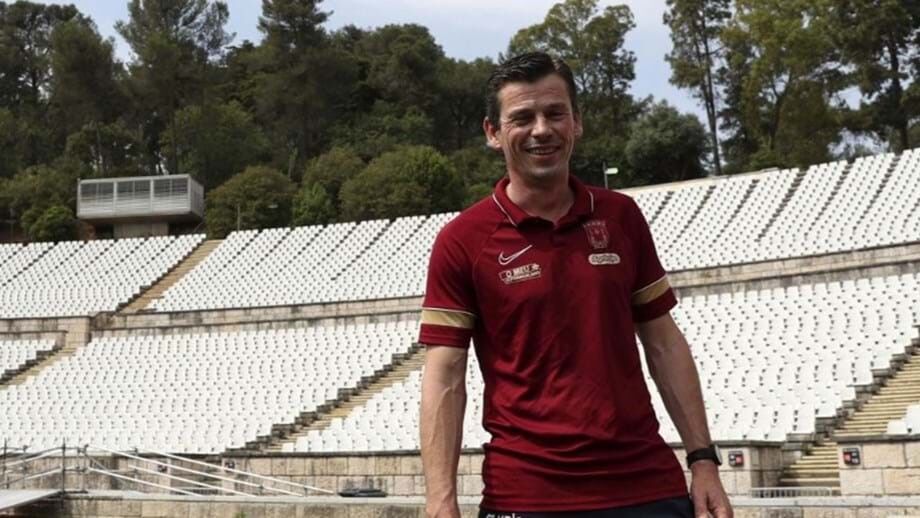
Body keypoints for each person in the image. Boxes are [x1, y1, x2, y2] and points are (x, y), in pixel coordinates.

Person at [418, 52, 732, 518]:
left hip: (647, 488)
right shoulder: (462, 240)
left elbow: (664, 342)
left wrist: (703, 460)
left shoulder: (621, 217)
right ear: (493, 132)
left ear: (577, 122)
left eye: (555, 113)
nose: (541, 129)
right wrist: (440, 499)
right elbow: (444, 375)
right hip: (527, 496)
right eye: (522, 118)